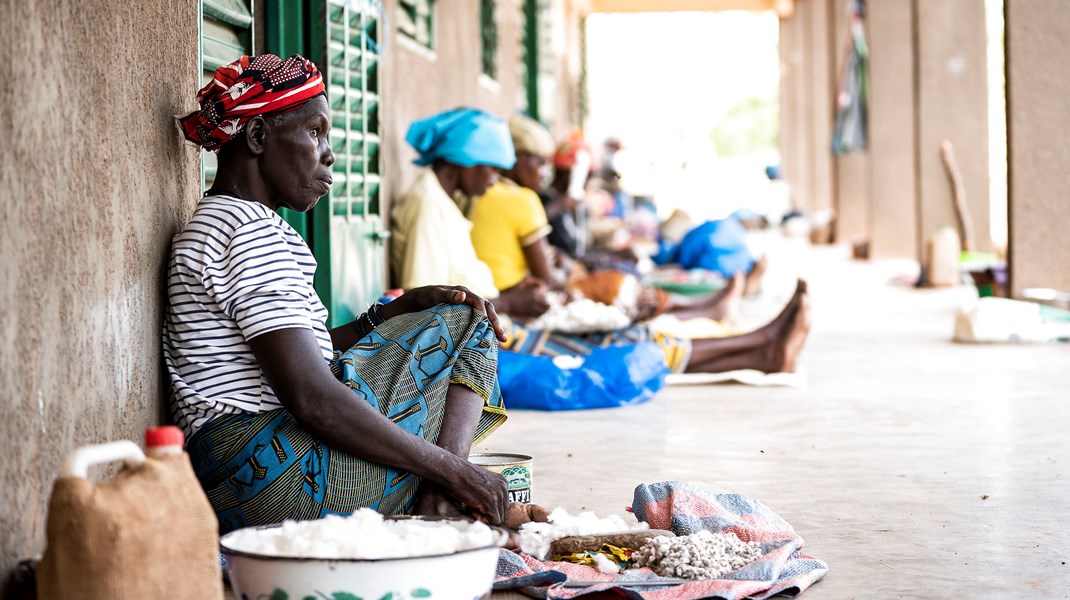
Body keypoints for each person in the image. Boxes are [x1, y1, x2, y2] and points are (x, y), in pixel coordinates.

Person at [168, 54, 544, 534]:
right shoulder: (249, 233)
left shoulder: (222, 221)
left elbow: (300, 354)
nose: (329, 154)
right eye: (315, 133)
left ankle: (439, 493)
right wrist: (458, 469)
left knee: (449, 318)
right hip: (271, 479)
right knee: (466, 321)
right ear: (259, 137)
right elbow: (312, 396)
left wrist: (387, 314)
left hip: (235, 477)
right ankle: (445, 492)